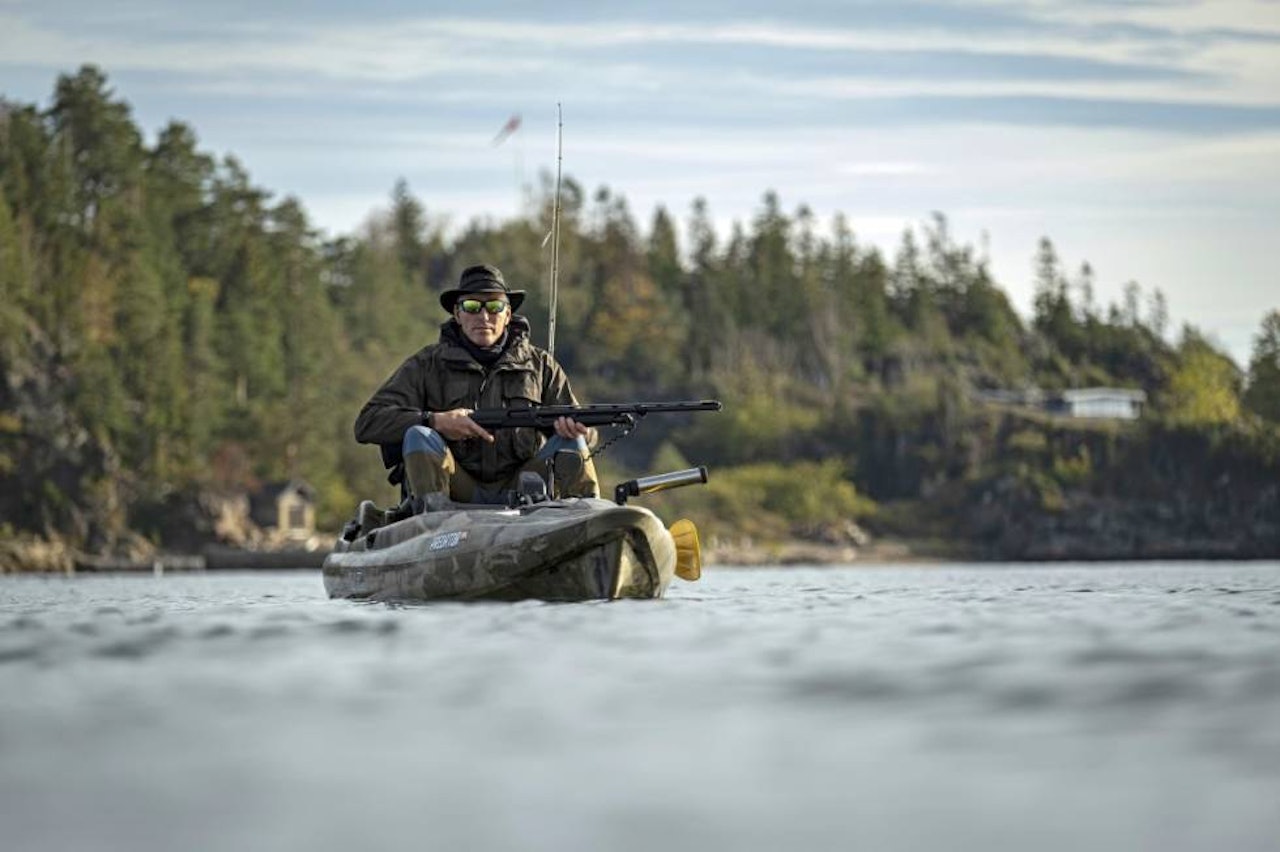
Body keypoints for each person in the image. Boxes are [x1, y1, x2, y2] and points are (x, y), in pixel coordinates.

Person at [354, 263, 599, 507]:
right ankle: (433, 524)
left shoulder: (540, 365)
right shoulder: (427, 364)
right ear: (457, 314)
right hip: (457, 491)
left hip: (524, 488)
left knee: (573, 441)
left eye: (494, 306)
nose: (483, 317)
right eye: (471, 307)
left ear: (508, 314)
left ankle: (591, 521)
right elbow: (368, 423)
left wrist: (582, 432)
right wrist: (435, 421)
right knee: (419, 435)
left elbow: (585, 430)